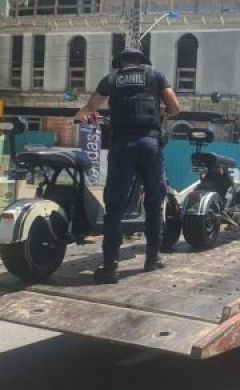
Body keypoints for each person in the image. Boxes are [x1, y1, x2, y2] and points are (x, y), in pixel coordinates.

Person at [75, 48, 181, 284]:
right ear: (142, 61)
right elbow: (175, 107)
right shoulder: (155, 75)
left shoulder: (112, 78)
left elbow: (91, 107)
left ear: (120, 62)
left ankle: (110, 267)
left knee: (114, 207)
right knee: (154, 202)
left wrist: (79, 115)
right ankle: (152, 259)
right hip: (150, 144)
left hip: (122, 145)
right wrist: (161, 110)